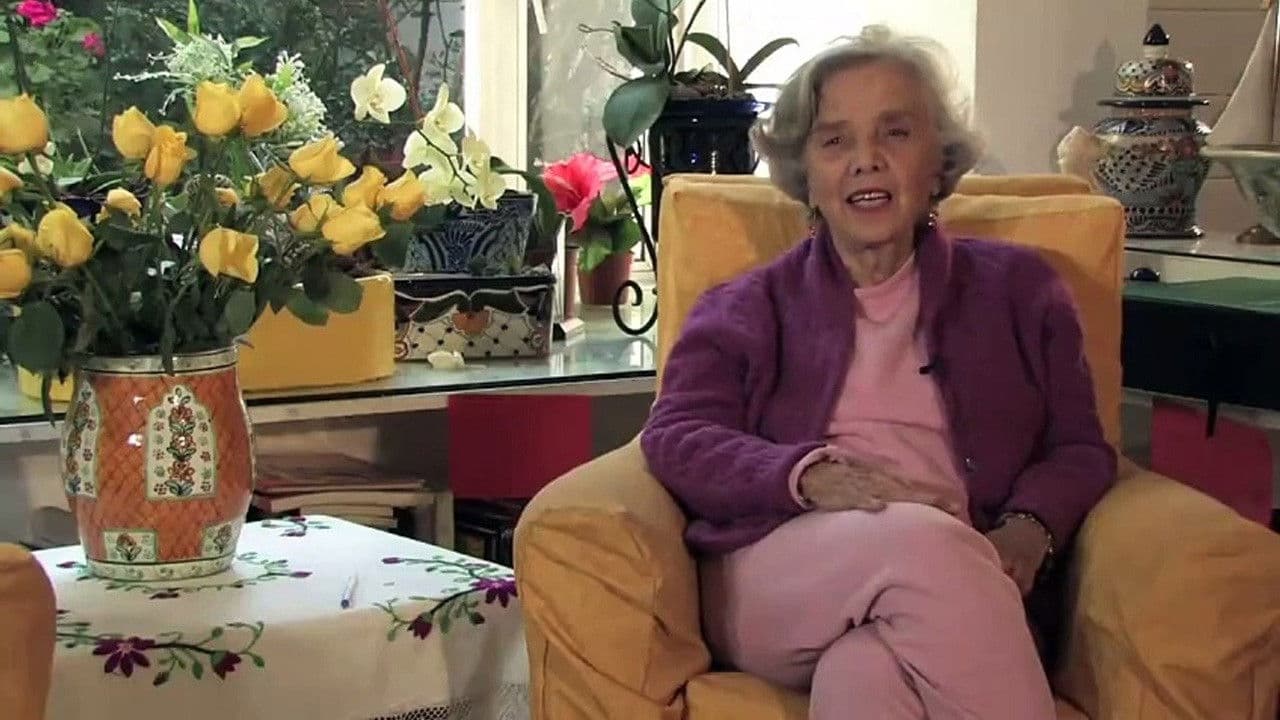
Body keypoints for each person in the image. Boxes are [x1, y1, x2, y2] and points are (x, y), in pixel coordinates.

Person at [640, 25, 1116, 720]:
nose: (867, 160)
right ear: (806, 174)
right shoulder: (747, 307)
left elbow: (1080, 447)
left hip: (959, 575)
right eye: (835, 141)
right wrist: (805, 475)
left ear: (937, 160)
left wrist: (1028, 527)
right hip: (780, 575)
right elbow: (676, 435)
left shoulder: (1021, 291)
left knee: (866, 675)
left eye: (895, 133)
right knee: (925, 546)